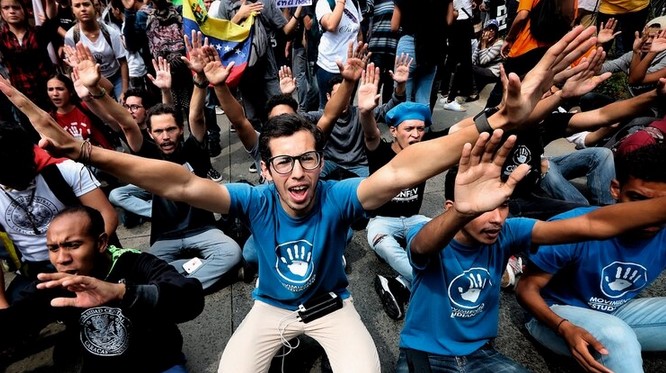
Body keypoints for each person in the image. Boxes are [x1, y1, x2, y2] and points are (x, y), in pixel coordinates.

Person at [1, 25, 601, 372]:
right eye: (283, 162)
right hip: (269, 307)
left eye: (306, 159)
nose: (297, 173)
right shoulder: (257, 199)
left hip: (333, 305)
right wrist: (87, 155)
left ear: (319, 161)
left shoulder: (338, 195)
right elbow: (178, 182)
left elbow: (404, 169)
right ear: (265, 168)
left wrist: (487, 122)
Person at [397, 130, 666, 373]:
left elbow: (592, 222)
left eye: (502, 205)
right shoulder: (433, 238)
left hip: (481, 356)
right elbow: (422, 245)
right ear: (449, 207)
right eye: (483, 208)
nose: (496, 218)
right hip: (425, 355)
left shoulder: (509, 233)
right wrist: (462, 211)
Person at [516, 142, 666, 373]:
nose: (647, 215)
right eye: (637, 198)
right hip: (553, 315)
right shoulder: (574, 227)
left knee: (616, 333)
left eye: (658, 207)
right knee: (616, 337)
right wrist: (563, 327)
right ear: (615, 189)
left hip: (615, 312)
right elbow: (526, 289)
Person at [0, 205, 204, 372]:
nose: (62, 258)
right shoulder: (56, 284)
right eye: (54, 248)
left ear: (101, 242)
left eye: (73, 245)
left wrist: (122, 292)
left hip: (157, 362)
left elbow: (190, 298)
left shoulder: (135, 263)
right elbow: (14, 323)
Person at [0, 122, 117, 308]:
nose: (17, 184)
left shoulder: (65, 170)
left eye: (19, 175)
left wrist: (87, 256)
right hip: (36, 270)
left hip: (86, 258)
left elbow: (107, 216)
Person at [65, 0, 129, 101]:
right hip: (92, 81)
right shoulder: (71, 36)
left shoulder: (110, 32)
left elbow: (123, 62)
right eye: (77, 6)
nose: (83, 9)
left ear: (94, 7)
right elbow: (72, 67)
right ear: (73, 10)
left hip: (115, 78)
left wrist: (125, 91)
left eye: (86, 4)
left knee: (123, 106)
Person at [315, 0, 362, 109]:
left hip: (350, 68)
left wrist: (359, 53)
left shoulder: (355, 3)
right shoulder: (324, 3)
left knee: (347, 107)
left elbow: (358, 32)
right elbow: (331, 25)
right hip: (329, 67)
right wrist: (341, 2)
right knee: (328, 107)